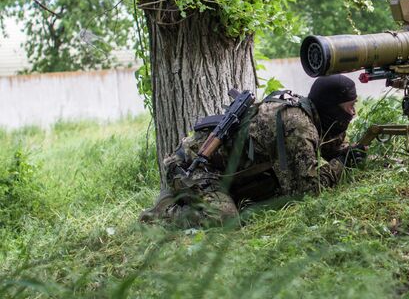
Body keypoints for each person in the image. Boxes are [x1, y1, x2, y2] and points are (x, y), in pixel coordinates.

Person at [140, 74, 367, 226]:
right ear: (330, 108)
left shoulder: (316, 117)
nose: (353, 113)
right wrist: (341, 165)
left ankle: (200, 197)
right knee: (226, 219)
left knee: (273, 189)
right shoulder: (298, 125)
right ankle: (164, 212)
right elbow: (306, 190)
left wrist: (354, 154)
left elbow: (334, 147)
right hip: (194, 167)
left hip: (226, 172)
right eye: (349, 107)